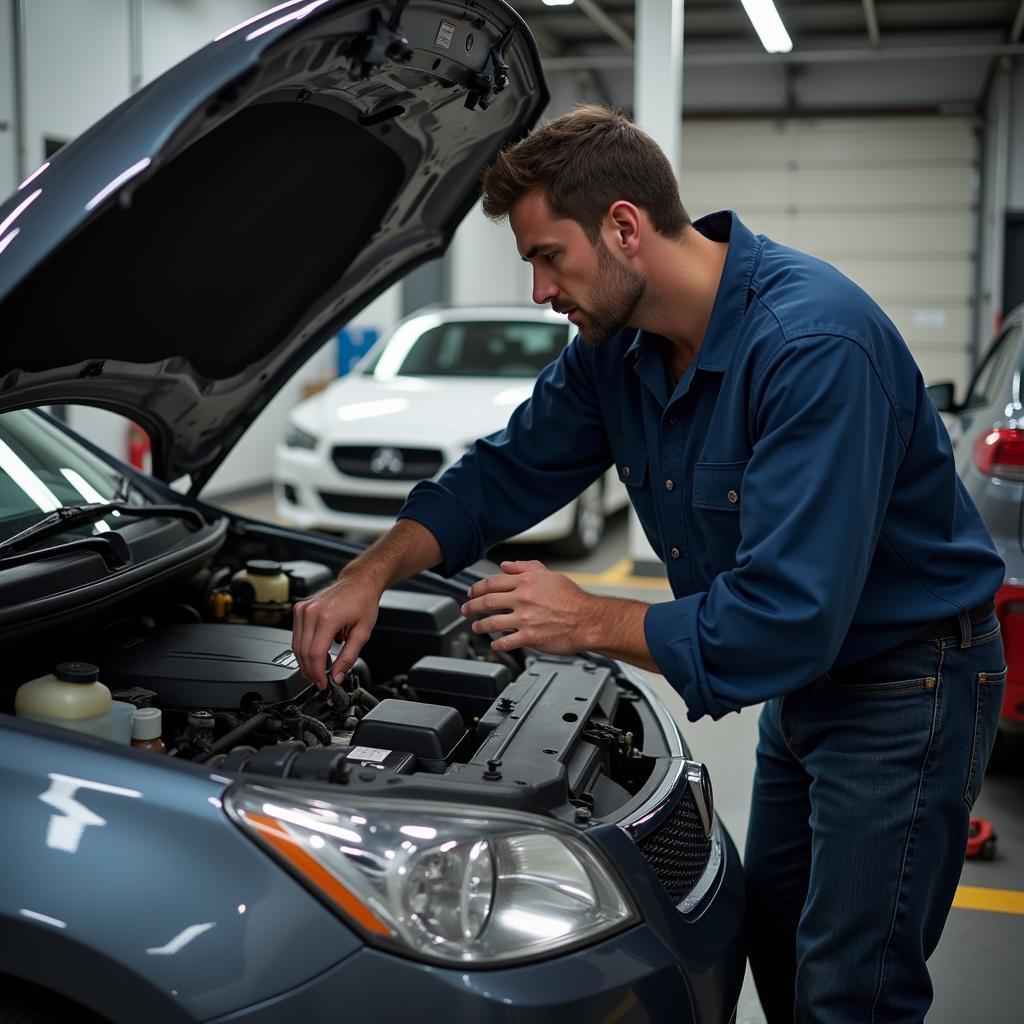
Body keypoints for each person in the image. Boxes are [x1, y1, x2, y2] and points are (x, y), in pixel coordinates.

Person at [291, 105, 1005, 1023]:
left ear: (624, 226)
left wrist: (588, 619)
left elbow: (785, 615)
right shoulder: (614, 348)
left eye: (549, 256)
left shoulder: (810, 347)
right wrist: (371, 572)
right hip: (811, 689)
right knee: (779, 950)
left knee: (850, 992)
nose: (542, 290)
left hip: (908, 684)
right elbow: (506, 470)